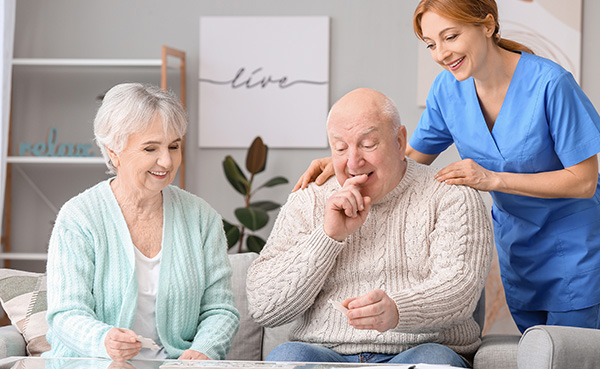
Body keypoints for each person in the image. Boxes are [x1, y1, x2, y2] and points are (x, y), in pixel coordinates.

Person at [293, 0, 600, 334]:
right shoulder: (447, 90)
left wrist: (492, 179)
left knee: (571, 356)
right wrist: (351, 161)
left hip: (574, 248)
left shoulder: (550, 84)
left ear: (487, 26)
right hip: (518, 247)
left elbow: (583, 181)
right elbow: (404, 158)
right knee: (536, 354)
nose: (441, 53)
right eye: (431, 44)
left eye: (450, 36)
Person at [247, 88, 492, 367]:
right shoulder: (308, 199)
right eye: (340, 148)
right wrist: (327, 237)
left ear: (400, 141)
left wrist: (399, 310)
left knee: (433, 362)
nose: (353, 162)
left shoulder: (451, 196)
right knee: (287, 358)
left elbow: (459, 291)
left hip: (423, 348)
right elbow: (263, 307)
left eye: (368, 144)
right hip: (324, 353)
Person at [43, 83, 240, 361]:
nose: (167, 161)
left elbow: (220, 310)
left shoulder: (201, 217)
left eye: (174, 146)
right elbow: (66, 313)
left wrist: (201, 352)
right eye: (150, 149)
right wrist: (103, 341)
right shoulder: (79, 217)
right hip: (95, 363)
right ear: (114, 152)